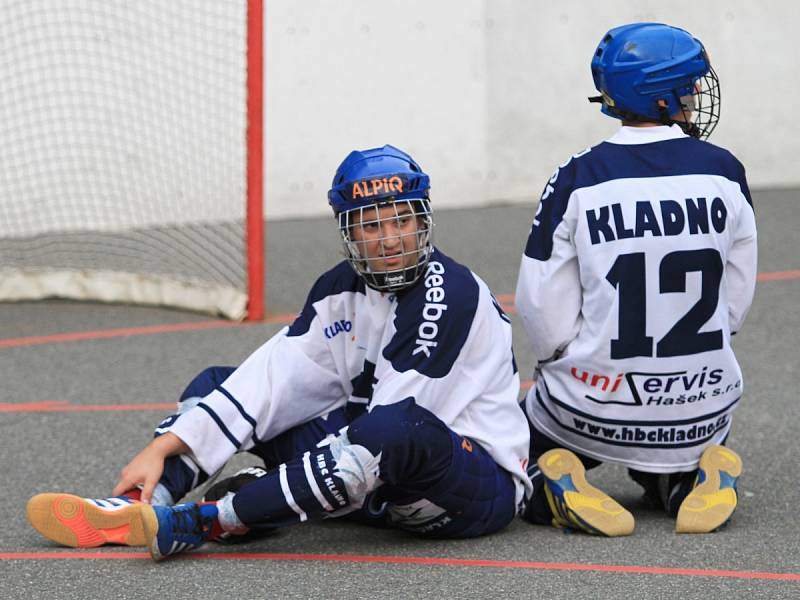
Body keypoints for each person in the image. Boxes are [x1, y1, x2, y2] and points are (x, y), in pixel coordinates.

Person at [27, 144, 531, 560]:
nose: (389, 240)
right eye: (371, 226)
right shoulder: (339, 288)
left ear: (422, 222)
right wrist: (163, 446)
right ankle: (140, 504)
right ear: (348, 234)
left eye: (400, 221)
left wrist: (258, 498)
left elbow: (390, 434)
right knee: (218, 384)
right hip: (372, 477)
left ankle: (211, 521)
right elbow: (271, 380)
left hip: (468, 488)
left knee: (391, 428)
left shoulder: (447, 295)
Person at [515, 23, 757, 536]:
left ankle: (549, 484)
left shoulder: (578, 176)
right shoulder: (726, 171)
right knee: (676, 442)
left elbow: (542, 310)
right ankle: (686, 479)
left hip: (590, 407)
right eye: (690, 84)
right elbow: (732, 305)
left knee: (504, 456)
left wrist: (568, 365)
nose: (696, 93)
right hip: (700, 407)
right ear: (665, 97)